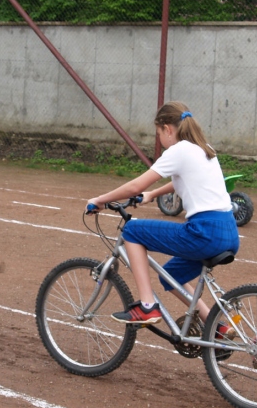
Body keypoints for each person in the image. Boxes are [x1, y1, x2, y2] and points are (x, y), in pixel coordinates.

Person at [86, 101, 239, 325]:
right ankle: (216, 326)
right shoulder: (204, 148)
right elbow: (183, 180)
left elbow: (134, 186)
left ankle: (147, 306)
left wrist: (100, 200)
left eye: (158, 133)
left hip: (204, 233)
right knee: (171, 276)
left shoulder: (178, 150)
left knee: (132, 230)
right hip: (228, 232)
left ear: (167, 129)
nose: (159, 139)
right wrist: (152, 194)